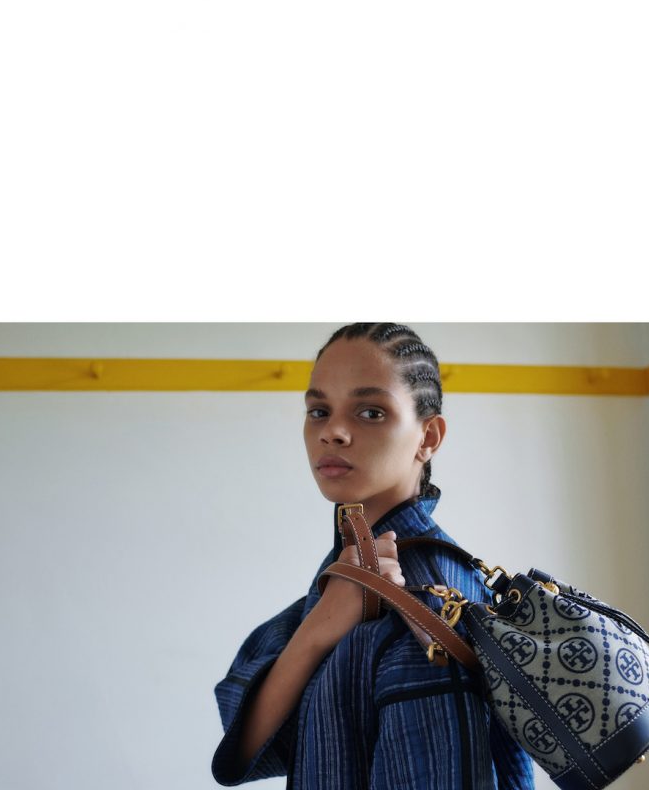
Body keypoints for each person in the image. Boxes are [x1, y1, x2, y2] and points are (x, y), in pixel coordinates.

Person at [212, 323, 535, 789]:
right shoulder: (352, 574)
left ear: (428, 437)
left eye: (370, 412)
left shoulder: (423, 600)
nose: (332, 432)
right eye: (319, 410)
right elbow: (248, 739)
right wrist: (321, 627)